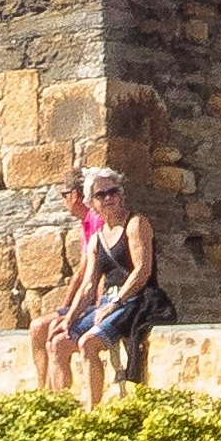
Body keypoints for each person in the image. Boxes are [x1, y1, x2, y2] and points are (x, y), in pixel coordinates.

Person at [61, 169, 162, 409]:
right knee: (60, 343)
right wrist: (70, 316)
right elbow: (88, 284)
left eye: (113, 191)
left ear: (121, 194)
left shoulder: (135, 224)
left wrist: (115, 302)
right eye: (101, 194)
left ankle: (92, 410)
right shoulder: (97, 238)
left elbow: (142, 271)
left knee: (89, 343)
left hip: (137, 299)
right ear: (91, 202)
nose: (109, 198)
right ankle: (60, 406)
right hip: (110, 299)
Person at [24, 168, 98, 394]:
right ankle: (44, 391)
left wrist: (69, 311)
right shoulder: (87, 222)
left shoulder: (95, 220)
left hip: (94, 302)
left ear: (75, 195)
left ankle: (54, 395)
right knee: (39, 329)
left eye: (64, 194)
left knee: (50, 334)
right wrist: (65, 307)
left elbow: (87, 271)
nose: (64, 201)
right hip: (84, 301)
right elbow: (80, 272)